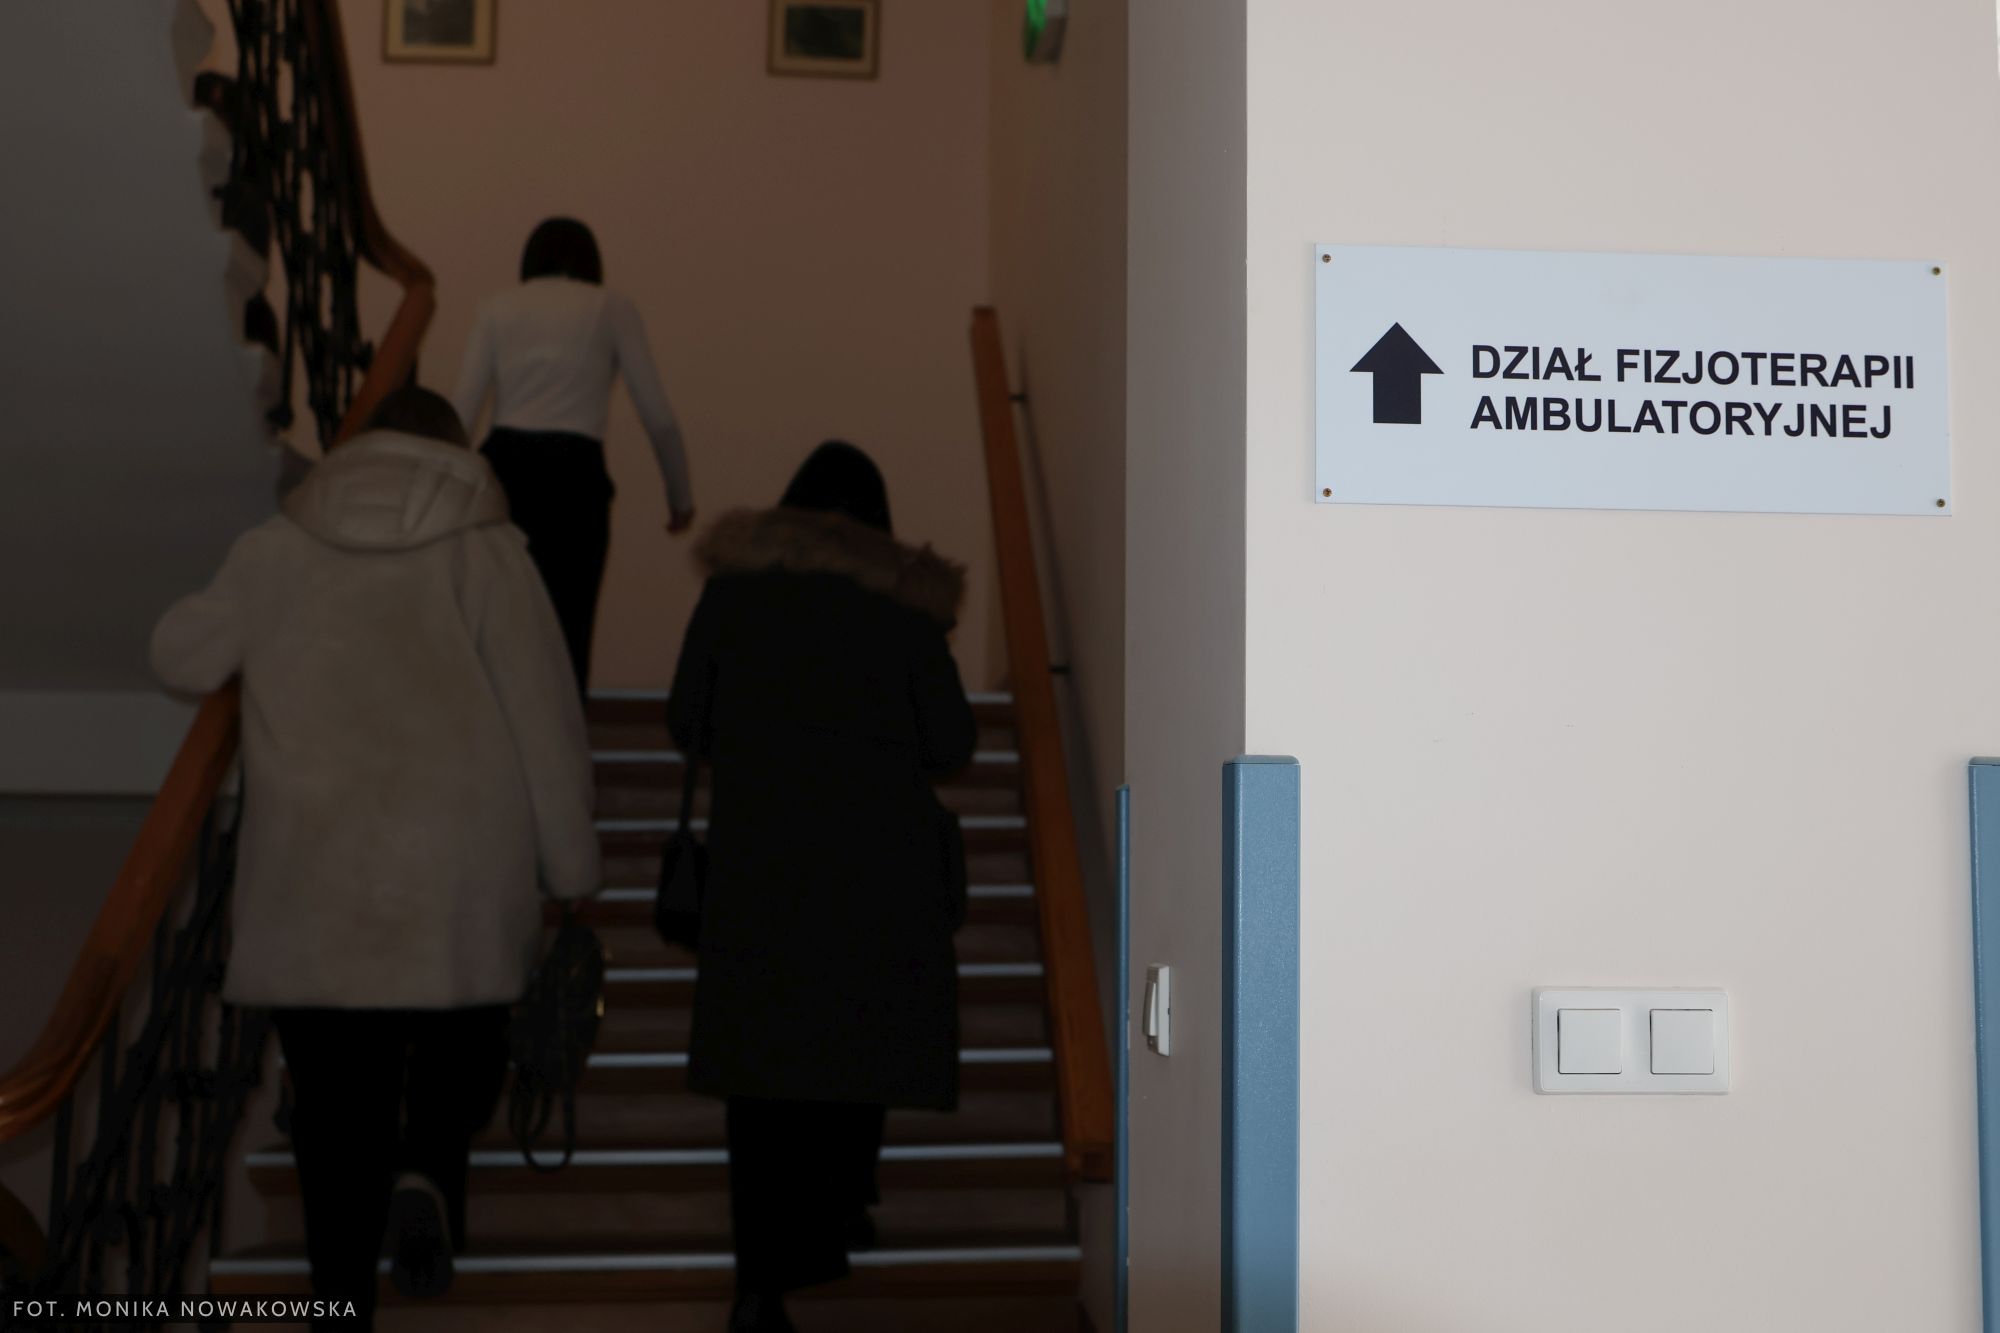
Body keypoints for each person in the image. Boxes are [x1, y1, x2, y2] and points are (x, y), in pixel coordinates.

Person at [150, 387, 600, 1328]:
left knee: (334, 1112)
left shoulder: (275, 549)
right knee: (462, 1041)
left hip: (317, 878)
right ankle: (428, 1164)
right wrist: (571, 873)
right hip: (458, 871)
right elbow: (546, 726)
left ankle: (340, 1299)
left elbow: (180, 654)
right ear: (458, 457)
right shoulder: (492, 553)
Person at [667, 441, 977, 1333]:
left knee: (762, 1081)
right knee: (857, 1044)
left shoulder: (734, 594)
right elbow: (951, 742)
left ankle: (759, 1282)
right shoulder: (903, 606)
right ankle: (839, 1206)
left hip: (762, 862)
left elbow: (686, 718)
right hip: (878, 871)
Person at [452, 216, 697, 687]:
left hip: (505, 470)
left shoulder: (496, 308)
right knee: (569, 629)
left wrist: (441, 488)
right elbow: (659, 419)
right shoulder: (612, 307)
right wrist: (680, 498)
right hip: (575, 476)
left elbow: (462, 412)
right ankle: (564, 731)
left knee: (500, 626)